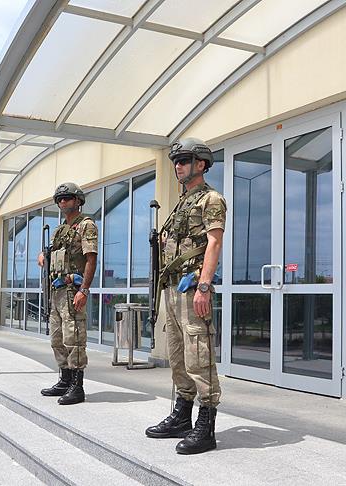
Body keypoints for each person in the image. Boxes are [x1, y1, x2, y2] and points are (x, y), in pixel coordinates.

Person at [145, 137, 226, 455]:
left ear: (202, 163)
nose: (178, 165)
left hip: (193, 289)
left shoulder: (211, 199)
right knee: (179, 356)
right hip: (173, 290)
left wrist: (204, 285)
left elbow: (214, 243)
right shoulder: (181, 203)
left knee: (199, 355)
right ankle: (182, 415)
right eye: (176, 161)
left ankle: (206, 427)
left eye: (185, 160)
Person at [37, 182, 98, 405]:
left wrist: (84, 289)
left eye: (68, 198)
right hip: (57, 290)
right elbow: (52, 254)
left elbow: (91, 259)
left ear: (78, 200)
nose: (63, 202)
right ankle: (64, 379)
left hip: (73, 288)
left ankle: (77, 385)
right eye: (60, 199)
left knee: (74, 339)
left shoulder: (86, 226)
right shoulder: (59, 230)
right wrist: (43, 256)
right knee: (57, 338)